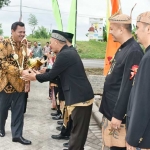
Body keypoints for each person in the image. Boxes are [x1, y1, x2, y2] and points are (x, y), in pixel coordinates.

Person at [22, 30, 94, 150]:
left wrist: (34, 76)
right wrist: (47, 71)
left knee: (77, 136)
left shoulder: (64, 54)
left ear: (56, 42)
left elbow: (51, 76)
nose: (49, 45)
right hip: (80, 97)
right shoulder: (68, 52)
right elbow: (58, 72)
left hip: (80, 99)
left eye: (51, 43)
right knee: (77, 135)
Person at [99, 12, 143, 150]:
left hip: (119, 117)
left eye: (112, 29)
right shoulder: (124, 47)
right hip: (111, 111)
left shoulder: (134, 51)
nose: (110, 32)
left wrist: (118, 114)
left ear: (121, 29)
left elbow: (128, 86)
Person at [0, 21, 31, 145]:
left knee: (18, 111)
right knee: (2, 109)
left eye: (24, 32)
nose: (22, 34)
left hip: (20, 84)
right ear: (12, 31)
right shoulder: (4, 44)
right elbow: (2, 63)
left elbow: (26, 63)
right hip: (6, 84)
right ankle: (0, 127)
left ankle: (17, 135)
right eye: (20, 32)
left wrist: (28, 79)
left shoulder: (24, 46)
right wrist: (20, 71)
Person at [126, 11, 150, 150]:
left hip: (144, 137)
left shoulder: (148, 59)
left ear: (148, 29)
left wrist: (133, 138)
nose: (135, 31)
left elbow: (143, 102)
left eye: (138, 27)